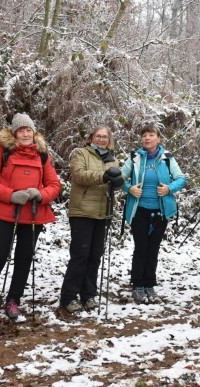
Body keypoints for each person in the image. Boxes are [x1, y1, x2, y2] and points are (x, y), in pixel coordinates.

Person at [0, 113, 61, 322]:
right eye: (21, 130)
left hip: (32, 214)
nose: (25, 133)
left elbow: (54, 185)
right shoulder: (2, 151)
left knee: (24, 259)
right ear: (14, 133)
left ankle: (14, 300)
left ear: (34, 132)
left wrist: (40, 195)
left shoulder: (42, 154)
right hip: (4, 213)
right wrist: (11, 195)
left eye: (28, 129)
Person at [59, 126, 124, 313]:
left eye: (105, 137)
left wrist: (119, 183)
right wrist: (103, 176)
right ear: (91, 138)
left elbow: (117, 181)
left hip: (103, 212)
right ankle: (69, 296)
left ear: (109, 140)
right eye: (98, 136)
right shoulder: (81, 153)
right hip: (82, 211)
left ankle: (88, 294)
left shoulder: (112, 159)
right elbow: (79, 175)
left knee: (95, 255)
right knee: (80, 255)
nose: (102, 139)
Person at [121, 124, 186, 304]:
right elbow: (119, 178)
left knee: (154, 248)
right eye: (144, 136)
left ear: (158, 139)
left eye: (151, 135)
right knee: (141, 247)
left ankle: (150, 284)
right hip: (139, 210)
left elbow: (181, 179)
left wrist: (168, 189)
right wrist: (130, 188)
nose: (147, 138)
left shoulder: (167, 159)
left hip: (160, 211)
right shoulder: (134, 158)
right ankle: (138, 285)